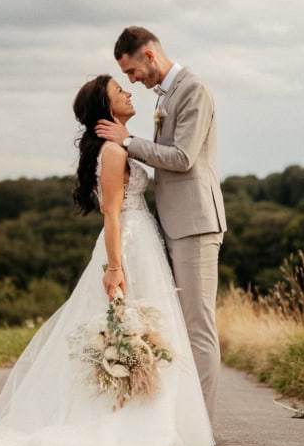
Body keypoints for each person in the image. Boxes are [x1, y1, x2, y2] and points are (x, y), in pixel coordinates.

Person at [0, 74, 214, 446]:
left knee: (148, 332)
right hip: (129, 243)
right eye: (119, 90)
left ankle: (146, 412)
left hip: (142, 238)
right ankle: (125, 417)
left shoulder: (120, 147)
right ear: (105, 109)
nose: (129, 92)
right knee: (130, 330)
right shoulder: (113, 153)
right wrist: (115, 267)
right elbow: (111, 214)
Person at [95, 27, 227, 420]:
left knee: (198, 326)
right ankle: (176, 417)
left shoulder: (193, 91)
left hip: (195, 224)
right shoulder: (166, 96)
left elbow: (183, 157)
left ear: (149, 56)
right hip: (171, 225)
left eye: (133, 71)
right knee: (180, 326)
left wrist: (128, 140)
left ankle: (201, 424)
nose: (132, 80)